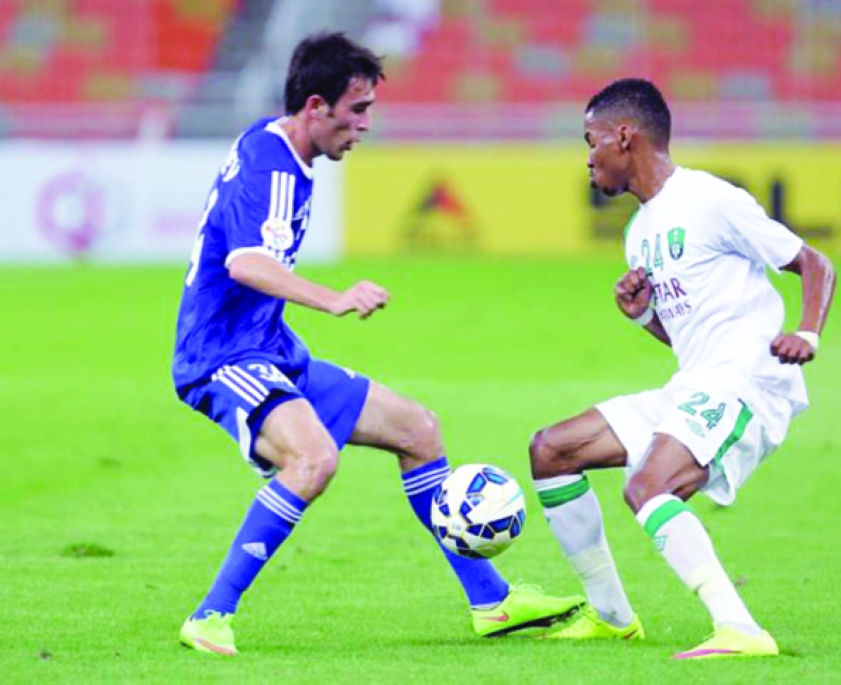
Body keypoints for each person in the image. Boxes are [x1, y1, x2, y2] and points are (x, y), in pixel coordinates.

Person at [173, 31, 582, 656]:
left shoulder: (275, 146)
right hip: (222, 357)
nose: (365, 125)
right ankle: (209, 617)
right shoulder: (274, 169)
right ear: (316, 106)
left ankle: (492, 602)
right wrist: (334, 298)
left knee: (418, 429)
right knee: (313, 460)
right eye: (357, 109)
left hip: (272, 350)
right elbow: (246, 264)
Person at [530, 78, 836, 659]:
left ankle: (740, 629)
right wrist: (643, 314)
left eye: (591, 141)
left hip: (746, 380)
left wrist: (807, 332)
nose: (588, 158)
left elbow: (815, 263)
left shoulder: (710, 200)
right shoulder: (638, 233)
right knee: (552, 450)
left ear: (625, 136)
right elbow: (685, 338)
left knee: (648, 485)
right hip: (696, 382)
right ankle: (612, 617)